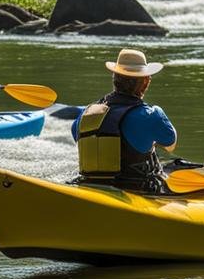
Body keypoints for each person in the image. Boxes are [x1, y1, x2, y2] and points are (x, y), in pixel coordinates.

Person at [72, 48, 177, 194]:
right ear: (146, 82)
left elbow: (78, 138)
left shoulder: (86, 114)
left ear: (114, 78)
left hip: (89, 189)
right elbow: (170, 145)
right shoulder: (151, 115)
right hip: (135, 192)